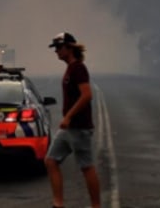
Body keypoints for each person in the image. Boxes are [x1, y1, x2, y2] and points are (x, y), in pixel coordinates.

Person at [45, 32, 101, 208]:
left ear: (69, 48)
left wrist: (68, 116)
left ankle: (96, 206)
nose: (56, 52)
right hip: (69, 129)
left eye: (59, 48)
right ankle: (58, 203)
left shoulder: (78, 68)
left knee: (87, 167)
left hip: (79, 127)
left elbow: (87, 95)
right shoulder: (70, 68)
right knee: (51, 160)